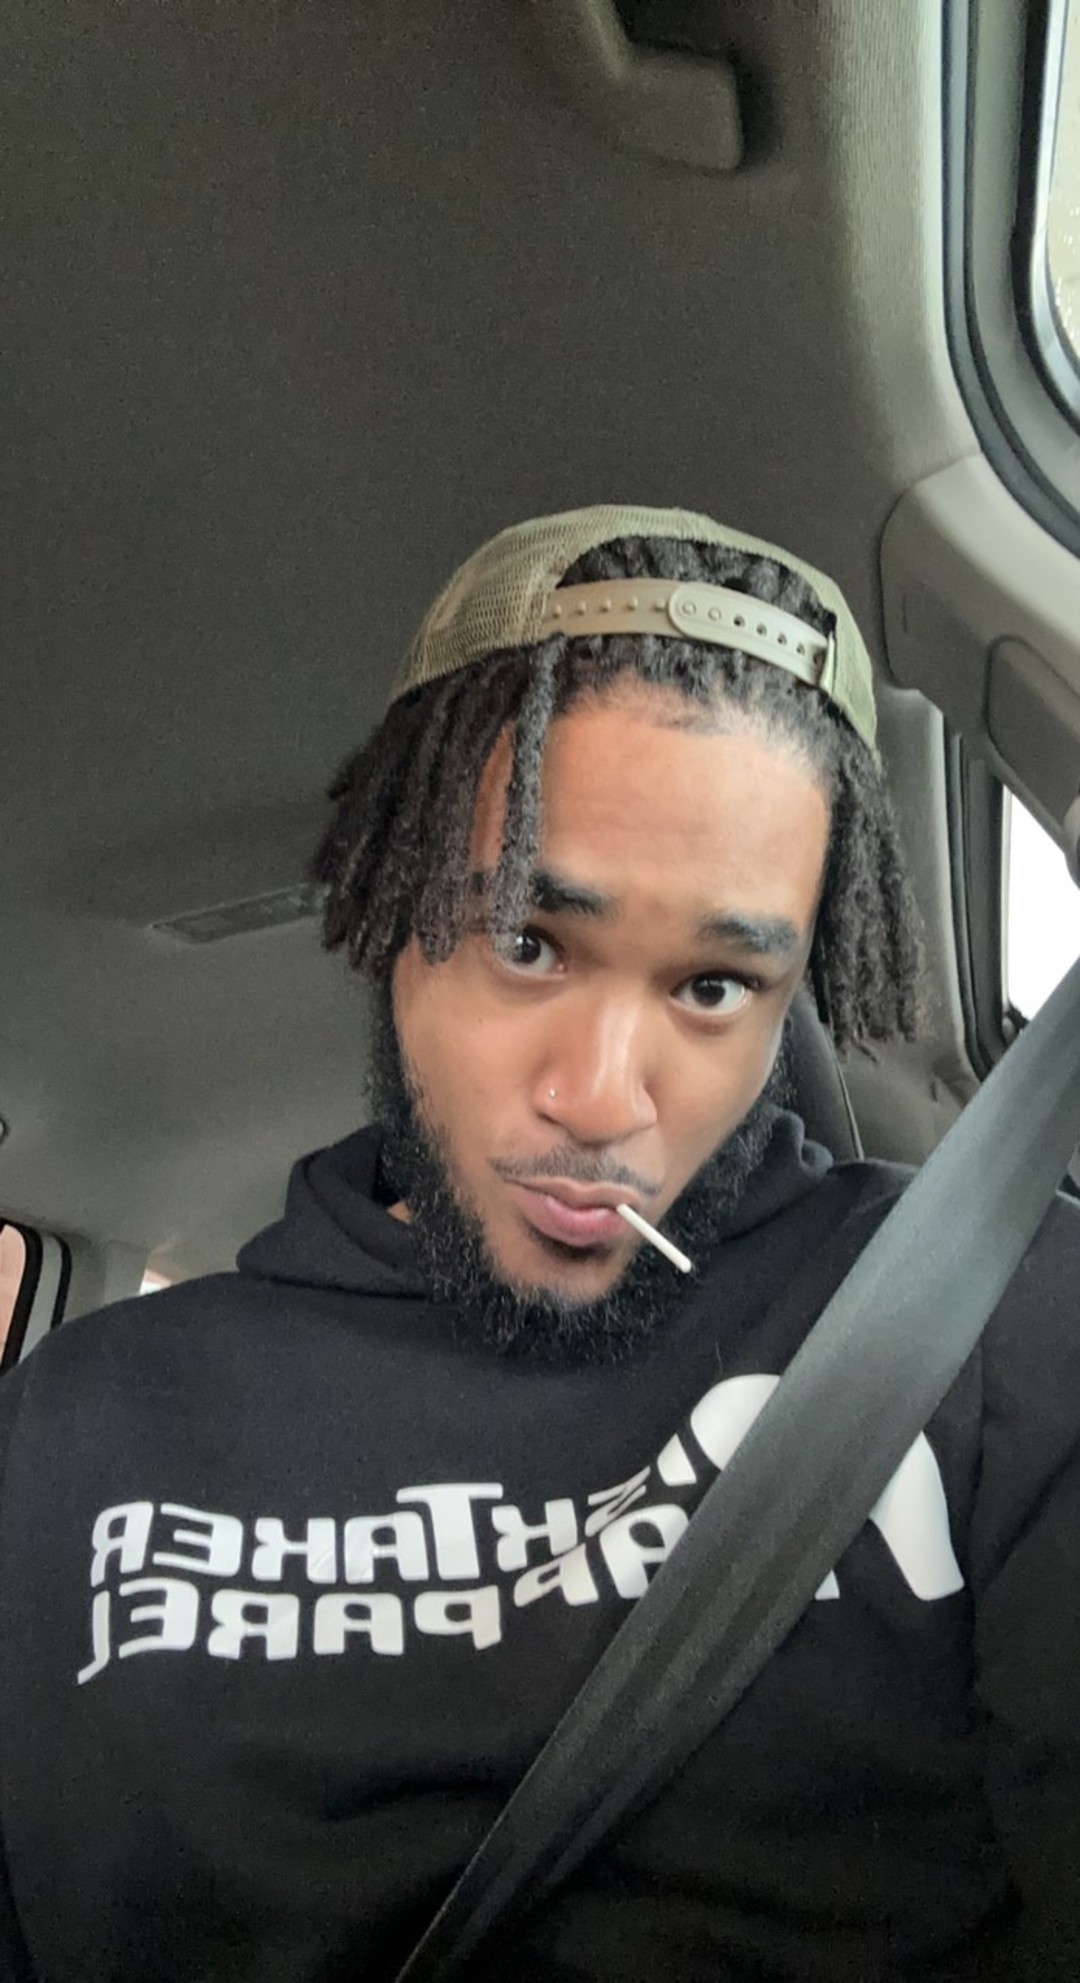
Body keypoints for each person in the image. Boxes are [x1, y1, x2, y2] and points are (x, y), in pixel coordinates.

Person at [0, 504, 1078, 1982]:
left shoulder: (991, 1323)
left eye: (713, 986)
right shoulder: (72, 1424)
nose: (601, 1098)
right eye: (526, 942)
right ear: (390, 910)